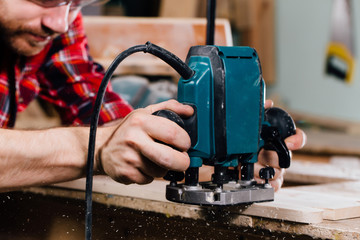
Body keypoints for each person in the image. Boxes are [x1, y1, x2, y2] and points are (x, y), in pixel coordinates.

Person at [0, 0, 306, 192]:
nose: (60, 22)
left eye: (75, 3)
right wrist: (96, 147)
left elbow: (94, 103)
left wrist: (221, 150)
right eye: (43, 0)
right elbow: (102, 139)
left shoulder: (57, 19)